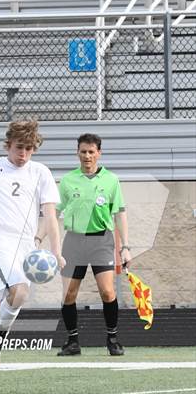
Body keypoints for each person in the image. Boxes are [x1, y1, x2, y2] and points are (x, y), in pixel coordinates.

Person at [0, 120, 65, 394]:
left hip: (27, 244)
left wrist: (56, 251)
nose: (24, 154)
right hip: (0, 240)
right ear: (8, 145)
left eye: (29, 149)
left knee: (17, 296)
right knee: (18, 292)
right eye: (19, 148)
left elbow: (50, 214)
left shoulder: (40, 172)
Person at [50, 133, 131, 356]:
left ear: (99, 154)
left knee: (107, 291)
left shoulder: (111, 180)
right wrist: (40, 238)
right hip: (74, 241)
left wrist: (125, 247)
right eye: (83, 151)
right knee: (68, 295)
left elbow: (120, 214)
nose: (87, 156)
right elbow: (53, 212)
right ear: (77, 153)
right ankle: (72, 342)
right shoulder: (67, 181)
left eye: (91, 152)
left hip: (101, 241)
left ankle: (113, 339)